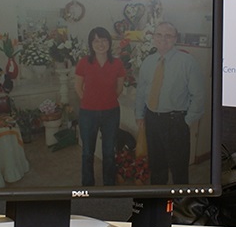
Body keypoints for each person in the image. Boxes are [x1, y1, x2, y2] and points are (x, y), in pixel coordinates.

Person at [134, 22, 205, 185]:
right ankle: (158, 203)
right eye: (159, 34)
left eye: (168, 35)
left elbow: (199, 95)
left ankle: (182, 207)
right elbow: (141, 90)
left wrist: (187, 120)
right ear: (153, 37)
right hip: (152, 120)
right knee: (157, 167)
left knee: (179, 170)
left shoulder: (187, 62)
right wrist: (139, 114)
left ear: (175, 39)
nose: (163, 39)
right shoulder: (148, 61)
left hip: (176, 122)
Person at [74, 27, 126, 186]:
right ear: (91, 44)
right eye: (96, 40)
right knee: (88, 152)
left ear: (109, 42)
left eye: (103, 39)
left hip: (111, 113)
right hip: (87, 113)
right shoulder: (84, 62)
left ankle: (109, 185)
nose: (100, 44)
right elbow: (78, 87)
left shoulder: (117, 63)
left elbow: (119, 88)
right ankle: (88, 186)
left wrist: (105, 100)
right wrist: (91, 101)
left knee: (109, 152)